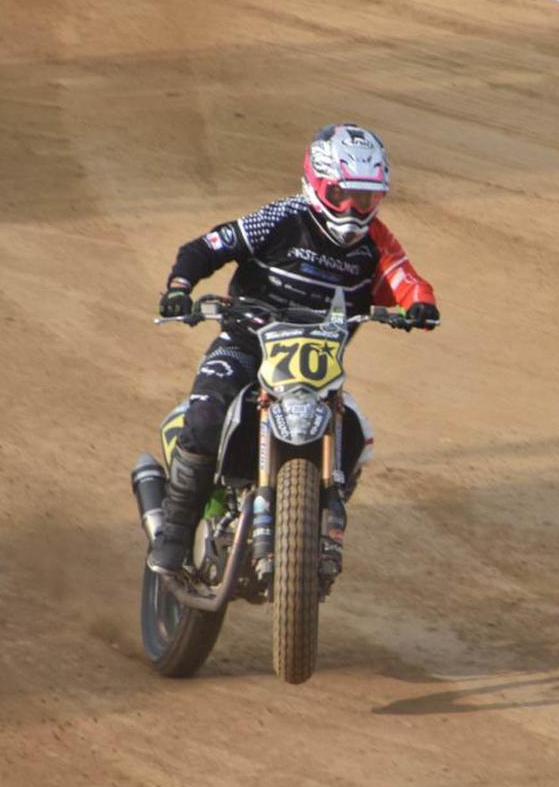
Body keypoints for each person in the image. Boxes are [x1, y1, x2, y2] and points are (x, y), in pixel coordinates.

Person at [148, 123, 440, 575]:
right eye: (342, 194)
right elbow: (208, 246)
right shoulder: (281, 217)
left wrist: (421, 305)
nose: (353, 209)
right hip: (245, 344)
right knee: (206, 416)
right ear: (317, 184)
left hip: (317, 362)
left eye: (365, 198)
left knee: (354, 433)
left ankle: (321, 521)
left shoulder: (376, 242)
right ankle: (174, 535)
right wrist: (179, 287)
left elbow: (405, 278)